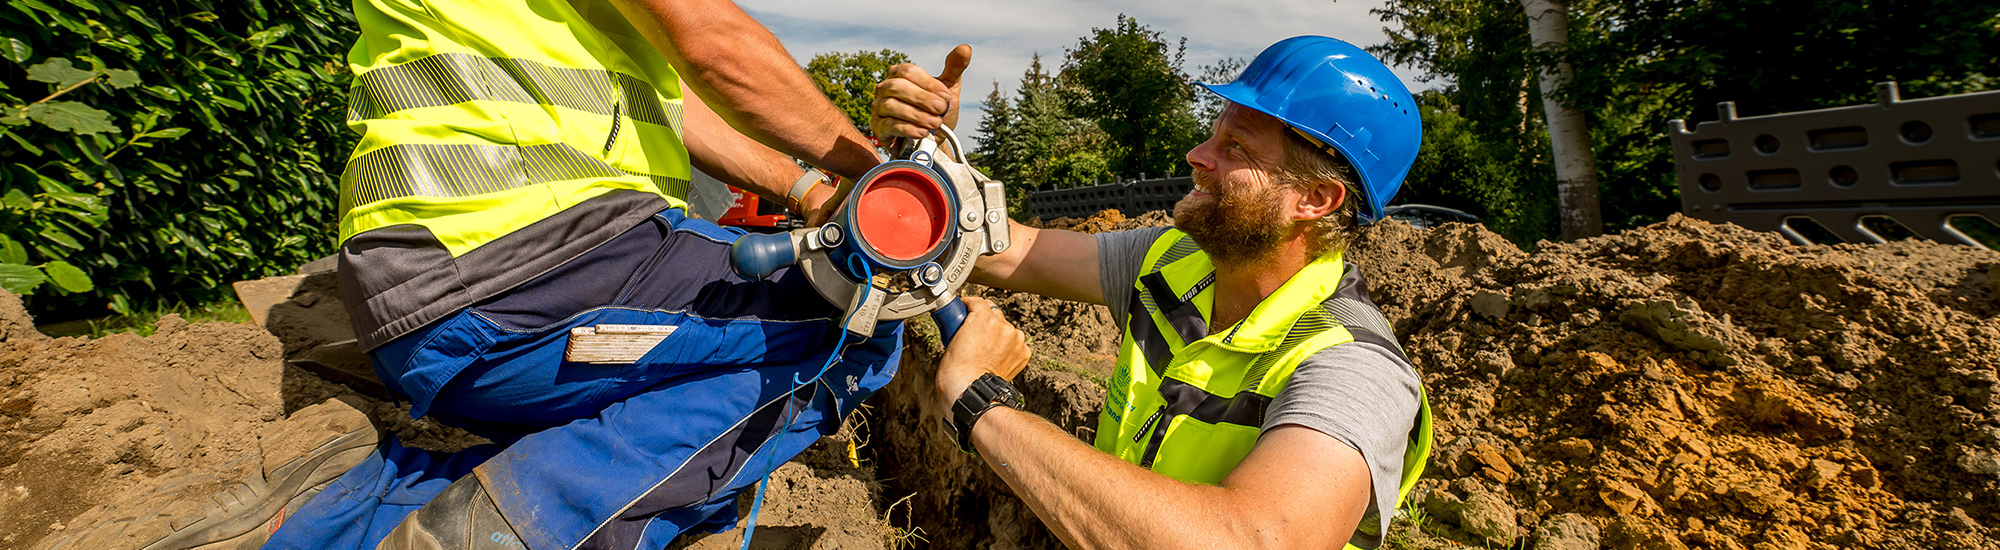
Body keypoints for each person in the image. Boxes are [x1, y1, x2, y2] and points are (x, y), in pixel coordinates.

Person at [47, 1, 949, 549]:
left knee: (676, 384)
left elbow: (676, 107)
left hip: (432, 296)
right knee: (854, 327)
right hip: (525, 261)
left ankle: (340, 507)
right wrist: (889, 182)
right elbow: (711, 41)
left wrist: (819, 187)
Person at [876, 36, 1435, 549]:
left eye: (1236, 148)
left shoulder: (1352, 367)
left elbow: (1252, 540)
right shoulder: (1171, 261)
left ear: (1315, 199)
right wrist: (922, 157)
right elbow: (998, 249)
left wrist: (982, 404)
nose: (1197, 154)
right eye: (1215, 131)